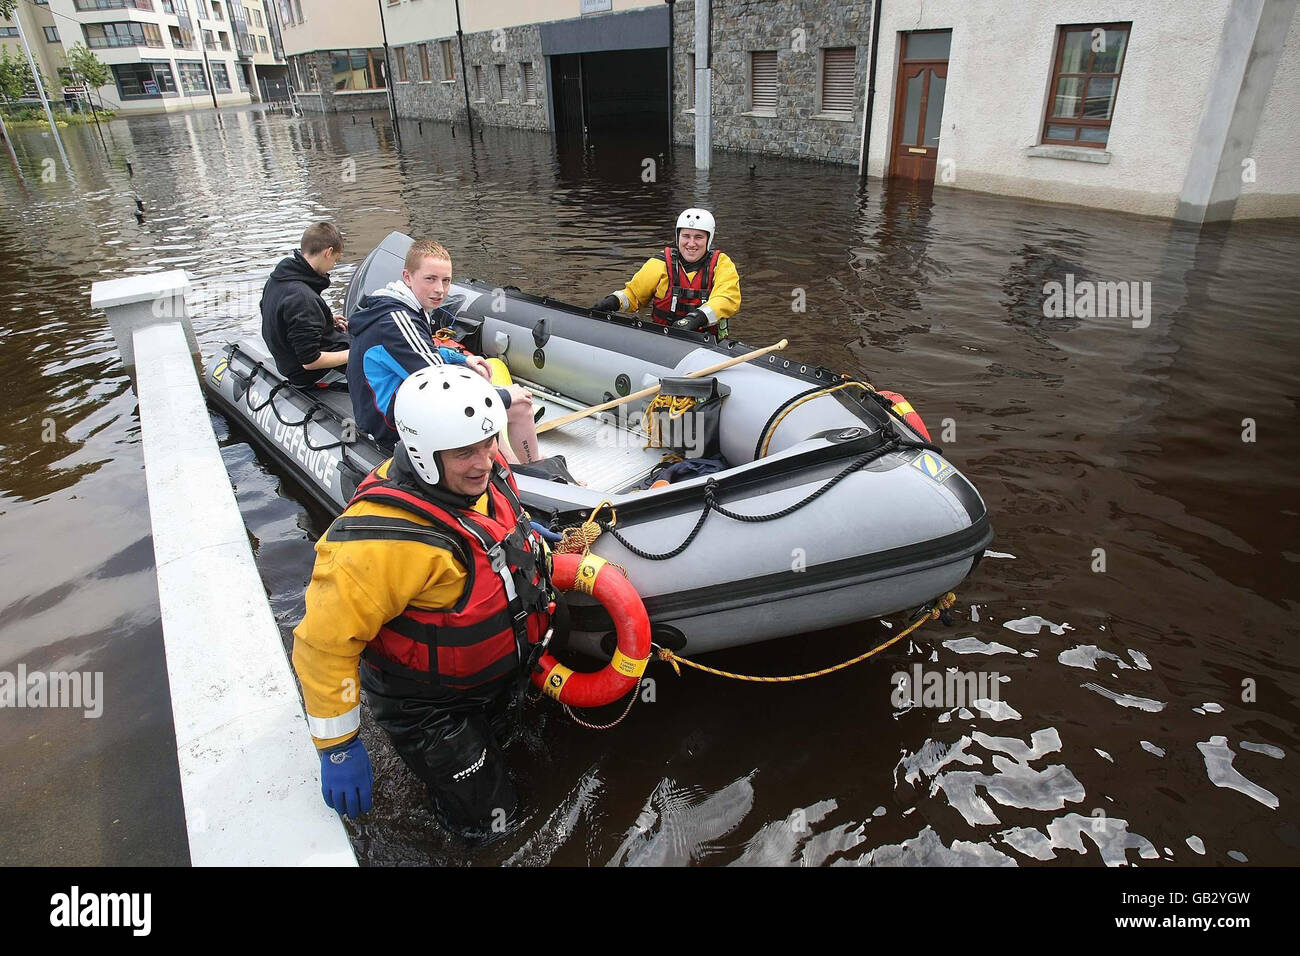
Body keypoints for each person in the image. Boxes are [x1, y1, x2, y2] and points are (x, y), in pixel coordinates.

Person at [292, 365, 554, 839]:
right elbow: (323, 645)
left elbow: (494, 537)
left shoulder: (480, 476)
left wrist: (526, 537)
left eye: (489, 442)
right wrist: (337, 745)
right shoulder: (379, 544)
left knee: (511, 748)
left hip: (488, 679)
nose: (485, 462)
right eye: (464, 453)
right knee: (495, 826)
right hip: (429, 707)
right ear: (423, 453)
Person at [347, 239, 543, 465]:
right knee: (520, 405)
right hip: (391, 428)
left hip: (394, 407)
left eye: (446, 281)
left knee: (482, 388)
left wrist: (464, 360)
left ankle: (512, 468)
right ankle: (534, 472)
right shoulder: (396, 322)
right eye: (430, 279)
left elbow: (423, 352)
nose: (440, 290)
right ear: (408, 277)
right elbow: (440, 386)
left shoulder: (400, 307)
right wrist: (505, 396)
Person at [592, 208, 741, 338]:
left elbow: (727, 298)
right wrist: (613, 301)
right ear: (678, 237)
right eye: (686, 236)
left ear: (709, 240)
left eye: (698, 237)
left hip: (707, 343)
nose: (691, 243)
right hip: (666, 339)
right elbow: (634, 295)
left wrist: (697, 318)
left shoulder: (721, 265)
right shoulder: (660, 263)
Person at [260, 222, 350, 387]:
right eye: (335, 260)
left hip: (286, 360)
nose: (333, 266)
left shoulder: (277, 279)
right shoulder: (302, 298)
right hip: (309, 374)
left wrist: (325, 319)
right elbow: (310, 361)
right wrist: (355, 353)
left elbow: (280, 318)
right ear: (328, 252)